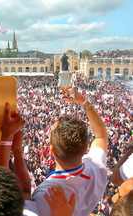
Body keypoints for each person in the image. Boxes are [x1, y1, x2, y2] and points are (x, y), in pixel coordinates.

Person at [32, 86, 108, 216]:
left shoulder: (46, 195)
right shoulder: (97, 168)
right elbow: (101, 135)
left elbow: (101, 136)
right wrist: (84, 102)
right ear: (85, 146)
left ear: (51, 150)